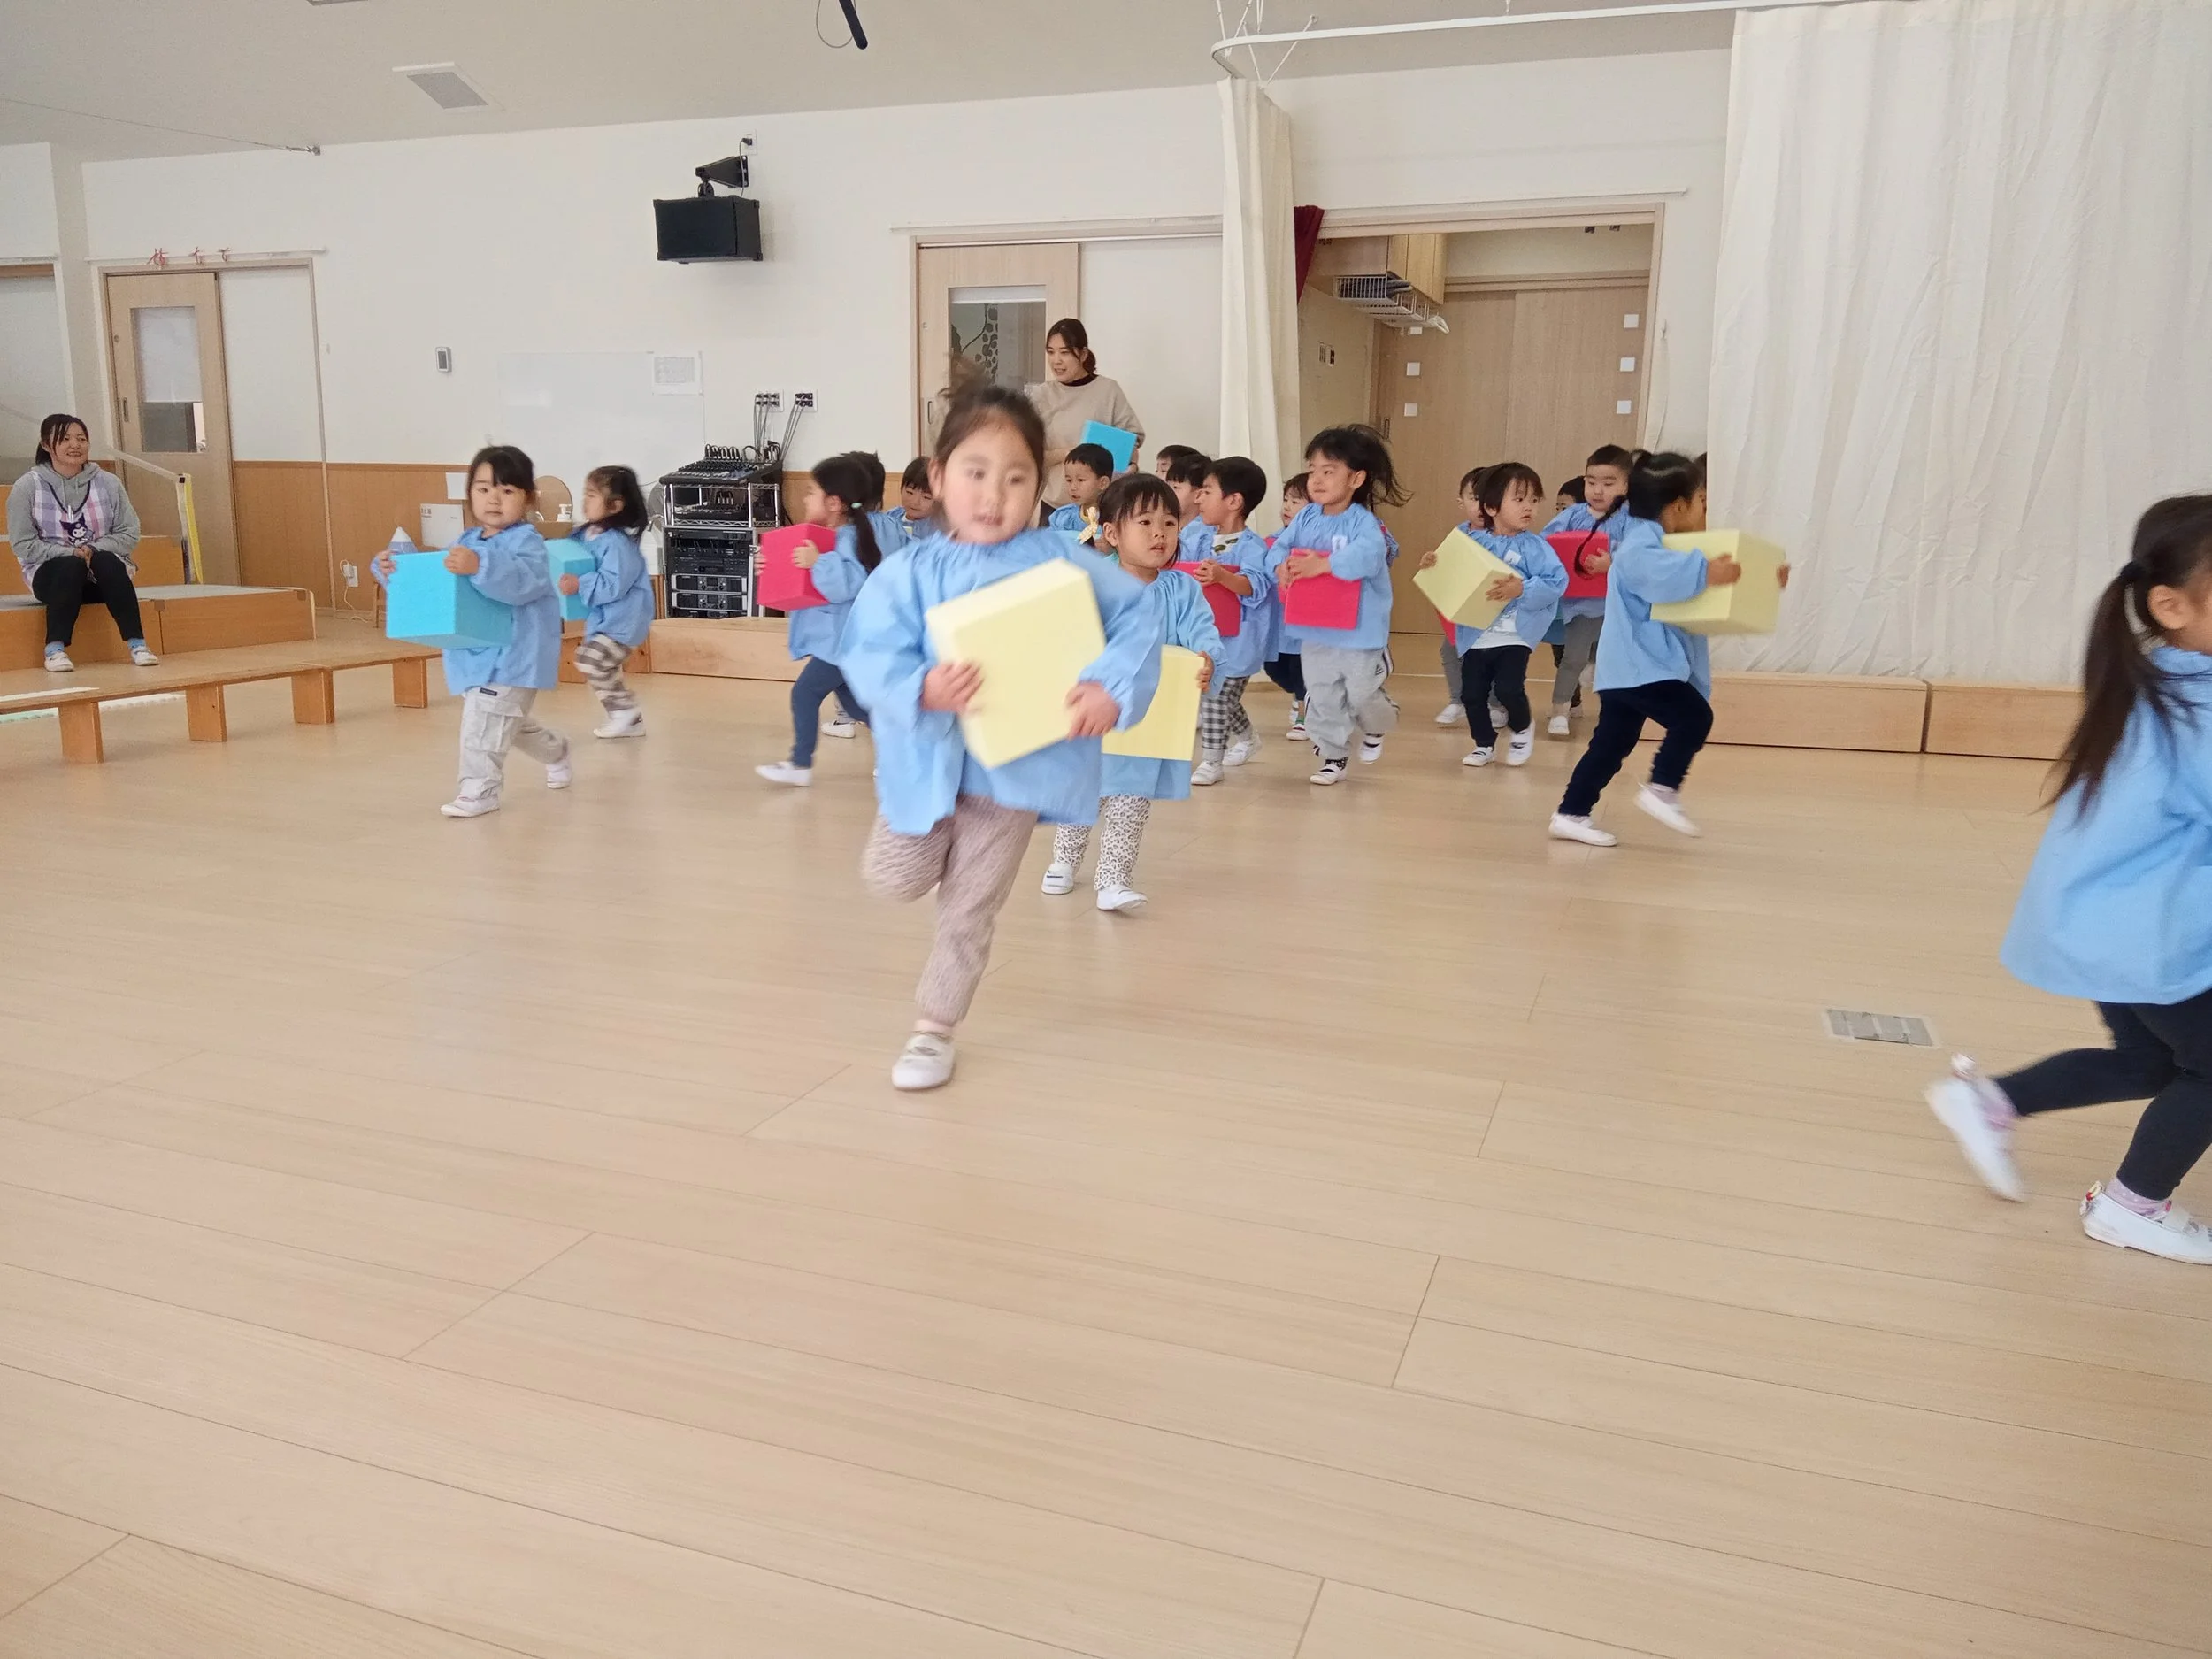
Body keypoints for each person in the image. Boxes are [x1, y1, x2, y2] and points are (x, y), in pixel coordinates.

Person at [840, 384, 1160, 1091]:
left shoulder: (1061, 561)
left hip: (1013, 773)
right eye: (976, 473)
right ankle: (927, 847)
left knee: (969, 906)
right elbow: (867, 650)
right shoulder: (909, 571)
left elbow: (1138, 617)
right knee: (894, 879)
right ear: (938, 476)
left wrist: (1110, 685)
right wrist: (920, 687)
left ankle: (934, 1026)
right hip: (925, 761)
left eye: (1016, 478)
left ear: (1039, 484)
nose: (994, 495)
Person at [1926, 496, 2212, 1264]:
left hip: (2106, 922)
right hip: (2151, 934)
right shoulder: (2200, 703)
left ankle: (1993, 1102)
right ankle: (2132, 1206)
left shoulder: (2157, 678)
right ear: (2171, 605)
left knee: (2149, 1063)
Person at [1548, 452, 1786, 845]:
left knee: (1610, 745)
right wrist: (1706, 572)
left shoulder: (1673, 545)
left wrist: (1763, 578)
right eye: (1701, 502)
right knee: (1693, 718)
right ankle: (1662, 788)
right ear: (1678, 506)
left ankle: (1571, 813)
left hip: (1634, 667)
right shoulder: (1641, 544)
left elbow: (1708, 596)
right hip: (1639, 665)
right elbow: (1662, 575)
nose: (1705, 511)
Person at [1042, 472, 1219, 913]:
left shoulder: (1182, 590)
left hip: (1149, 719)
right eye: (1145, 522)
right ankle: (1064, 860)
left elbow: (1203, 633)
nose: (1160, 533)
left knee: (1130, 800)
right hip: (1096, 712)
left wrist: (1206, 658)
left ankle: (1113, 880)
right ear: (1112, 533)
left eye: (1169, 523)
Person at [373, 444, 568, 818]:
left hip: (515, 654)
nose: (494, 499)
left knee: (484, 722)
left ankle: (480, 790)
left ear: (528, 498)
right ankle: (555, 750)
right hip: (473, 653)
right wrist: (394, 571)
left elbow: (522, 583)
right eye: (483, 489)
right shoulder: (465, 541)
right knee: (506, 722)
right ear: (470, 495)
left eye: (507, 490)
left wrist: (480, 566)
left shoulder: (528, 543)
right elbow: (438, 580)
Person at [1270, 426, 1405, 786]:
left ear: (1356, 479)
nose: (1316, 480)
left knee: (1361, 694)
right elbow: (1280, 546)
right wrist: (1279, 566)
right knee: (1323, 695)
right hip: (1314, 627)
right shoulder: (1305, 517)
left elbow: (1370, 556)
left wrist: (1326, 564)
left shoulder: (1364, 523)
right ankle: (1333, 757)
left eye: (1328, 471)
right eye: (1312, 470)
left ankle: (1379, 723)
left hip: (1359, 630)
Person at [1427, 461, 1567, 769]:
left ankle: (1522, 727)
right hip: (1476, 633)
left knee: (1508, 688)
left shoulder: (1535, 546)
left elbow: (1556, 582)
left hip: (1515, 634)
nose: (1529, 507)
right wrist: (1434, 564)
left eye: (1534, 500)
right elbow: (1451, 573)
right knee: (1472, 695)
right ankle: (1484, 744)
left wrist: (1522, 589)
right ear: (1491, 507)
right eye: (1519, 499)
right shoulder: (1471, 541)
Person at [757, 451, 880, 787]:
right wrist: (770, 565)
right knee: (858, 708)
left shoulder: (849, 539)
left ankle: (800, 764)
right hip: (833, 643)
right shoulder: (820, 537)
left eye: (812, 491)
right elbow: (798, 579)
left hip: (841, 643)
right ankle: (906, 745)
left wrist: (818, 562)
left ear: (834, 503)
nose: (805, 498)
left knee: (804, 694)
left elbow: (849, 582)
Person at [8, 413, 156, 672]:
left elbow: (129, 532)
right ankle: (54, 650)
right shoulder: (27, 487)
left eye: (81, 439)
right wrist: (69, 553)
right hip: (52, 580)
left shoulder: (109, 483)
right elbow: (22, 544)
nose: (75, 445)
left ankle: (138, 645)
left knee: (106, 560)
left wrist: (93, 549)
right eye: (65, 439)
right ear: (46, 444)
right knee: (70, 565)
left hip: (101, 580)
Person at [1187, 456, 1272, 786]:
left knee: (1216, 696)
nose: (1198, 497)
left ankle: (1212, 760)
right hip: (1207, 637)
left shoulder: (1252, 547)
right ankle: (1248, 738)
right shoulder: (1199, 536)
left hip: (1238, 643)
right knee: (1221, 696)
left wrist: (1223, 576)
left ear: (1234, 501)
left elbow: (1254, 586)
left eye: (1207, 491)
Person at [1540, 445, 1632, 736]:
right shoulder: (1572, 515)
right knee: (1573, 658)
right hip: (1581, 605)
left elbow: (1642, 556)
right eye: (1591, 482)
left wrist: (1613, 563)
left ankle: (1614, 715)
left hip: (1619, 607)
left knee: (1614, 663)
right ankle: (1560, 710)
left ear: (1626, 485)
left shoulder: (1631, 519)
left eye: (1608, 483)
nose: (1598, 490)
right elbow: (1544, 544)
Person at [559, 465, 653, 739]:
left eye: (592, 495)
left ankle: (625, 711)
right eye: (585, 494)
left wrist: (580, 584)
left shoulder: (617, 544)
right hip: (603, 620)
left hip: (623, 622)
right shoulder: (586, 534)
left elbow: (613, 584)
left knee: (590, 660)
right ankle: (628, 720)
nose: (585, 501)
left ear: (615, 505)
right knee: (599, 665)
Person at [1025, 319, 1144, 506]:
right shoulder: (1041, 395)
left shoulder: (1108, 390)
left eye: (1064, 352)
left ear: (1083, 354)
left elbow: (1132, 441)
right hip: (1053, 504)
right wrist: (1066, 454)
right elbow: (1027, 453)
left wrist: (1130, 466)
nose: (1056, 360)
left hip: (1102, 504)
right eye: (1051, 352)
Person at [1433, 465, 1489, 727]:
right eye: (1474, 498)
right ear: (1462, 502)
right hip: (1462, 609)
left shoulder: (1505, 534)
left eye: (1489, 498)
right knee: (1451, 650)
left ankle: (1495, 704)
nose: (1481, 506)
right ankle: (1458, 700)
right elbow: (1447, 566)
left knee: (1493, 657)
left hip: (1494, 612)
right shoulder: (1459, 533)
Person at [1264, 474, 1309, 737]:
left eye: (1296, 501)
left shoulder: (1315, 542)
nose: (1287, 507)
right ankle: (1301, 698)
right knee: (1274, 667)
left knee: (1302, 669)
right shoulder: (1273, 540)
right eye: (1286, 500)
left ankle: (1305, 714)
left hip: (1305, 625)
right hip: (1279, 624)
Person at [1048, 442, 1114, 540]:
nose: (1073, 487)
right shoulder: (1062, 518)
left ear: (1103, 483)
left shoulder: (1115, 520)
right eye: (1069, 480)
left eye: (1081, 480)